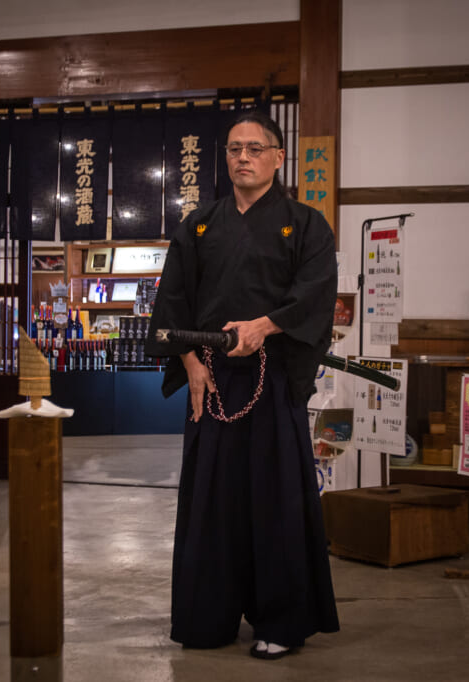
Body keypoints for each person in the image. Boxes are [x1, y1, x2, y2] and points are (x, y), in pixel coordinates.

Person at [144, 110, 340, 660]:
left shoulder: (304, 224)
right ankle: (207, 618)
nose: (243, 157)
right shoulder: (199, 225)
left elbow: (315, 294)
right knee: (211, 502)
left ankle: (279, 619)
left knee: (273, 499)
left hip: (271, 378)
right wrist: (188, 361)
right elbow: (172, 302)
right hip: (211, 379)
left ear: (279, 158)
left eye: (255, 148)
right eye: (234, 149)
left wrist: (265, 325)